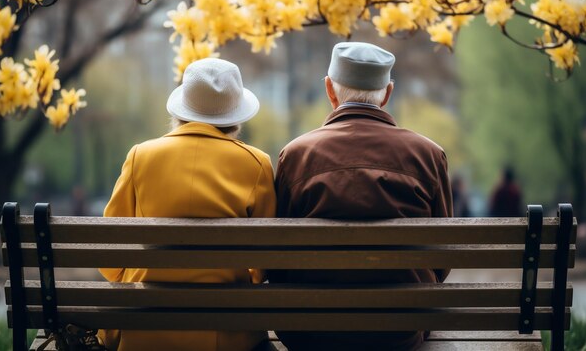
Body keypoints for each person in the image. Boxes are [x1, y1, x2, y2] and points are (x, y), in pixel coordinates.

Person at [271, 42, 453, 351]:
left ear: (330, 90)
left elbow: (278, 260)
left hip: (310, 332)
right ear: (387, 93)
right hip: (401, 331)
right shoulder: (429, 155)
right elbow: (442, 256)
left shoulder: (296, 156)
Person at [98, 58, 277, 351]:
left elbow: (108, 254)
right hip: (228, 336)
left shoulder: (140, 156)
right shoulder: (256, 164)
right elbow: (263, 265)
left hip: (142, 330)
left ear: (182, 110)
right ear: (235, 116)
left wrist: (130, 278)